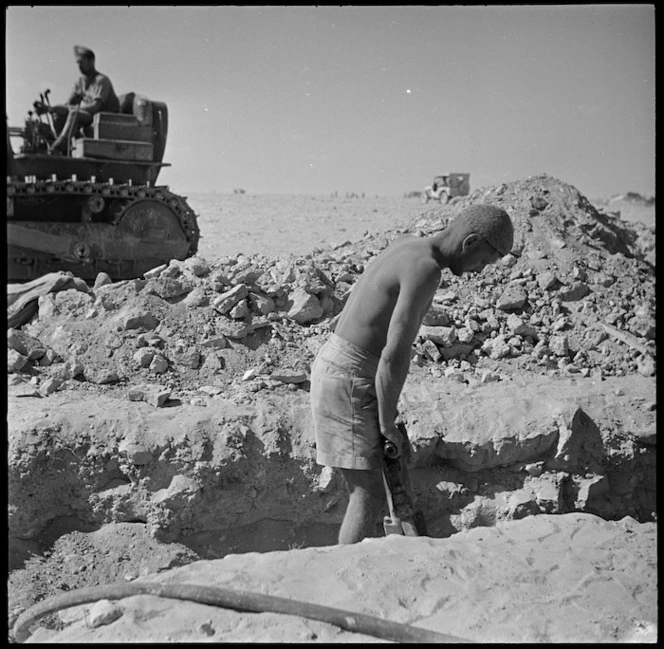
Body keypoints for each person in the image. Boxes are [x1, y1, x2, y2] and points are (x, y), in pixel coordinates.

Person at [310, 204, 514, 544]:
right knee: (367, 494)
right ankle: (343, 578)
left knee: (380, 488)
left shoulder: (410, 245)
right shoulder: (426, 269)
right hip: (349, 373)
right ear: (470, 241)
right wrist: (387, 422)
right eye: (483, 260)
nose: (479, 271)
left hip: (343, 365)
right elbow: (395, 354)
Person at [38, 46, 120, 154]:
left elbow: (95, 106)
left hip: (104, 118)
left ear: (91, 61)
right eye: (77, 63)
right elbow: (69, 103)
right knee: (58, 115)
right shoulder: (81, 82)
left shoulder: (101, 81)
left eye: (81, 62)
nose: (79, 66)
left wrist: (70, 109)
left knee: (74, 114)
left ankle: (61, 145)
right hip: (90, 117)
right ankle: (64, 148)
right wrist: (52, 109)